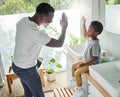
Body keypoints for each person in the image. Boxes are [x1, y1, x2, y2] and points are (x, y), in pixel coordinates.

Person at [12, 2, 68, 97]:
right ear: (41, 17)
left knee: (28, 92)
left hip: (17, 65)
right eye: (50, 19)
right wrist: (64, 27)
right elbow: (59, 43)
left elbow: (25, 41)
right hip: (27, 70)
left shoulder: (23, 21)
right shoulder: (36, 33)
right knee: (39, 95)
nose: (51, 21)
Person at [66, 17, 103, 97]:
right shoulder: (90, 38)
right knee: (73, 66)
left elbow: (94, 58)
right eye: (88, 29)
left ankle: (80, 90)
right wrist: (83, 23)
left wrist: (83, 64)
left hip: (92, 64)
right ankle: (74, 81)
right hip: (86, 61)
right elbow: (84, 34)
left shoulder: (95, 44)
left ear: (96, 33)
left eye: (90, 30)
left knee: (77, 72)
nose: (87, 31)